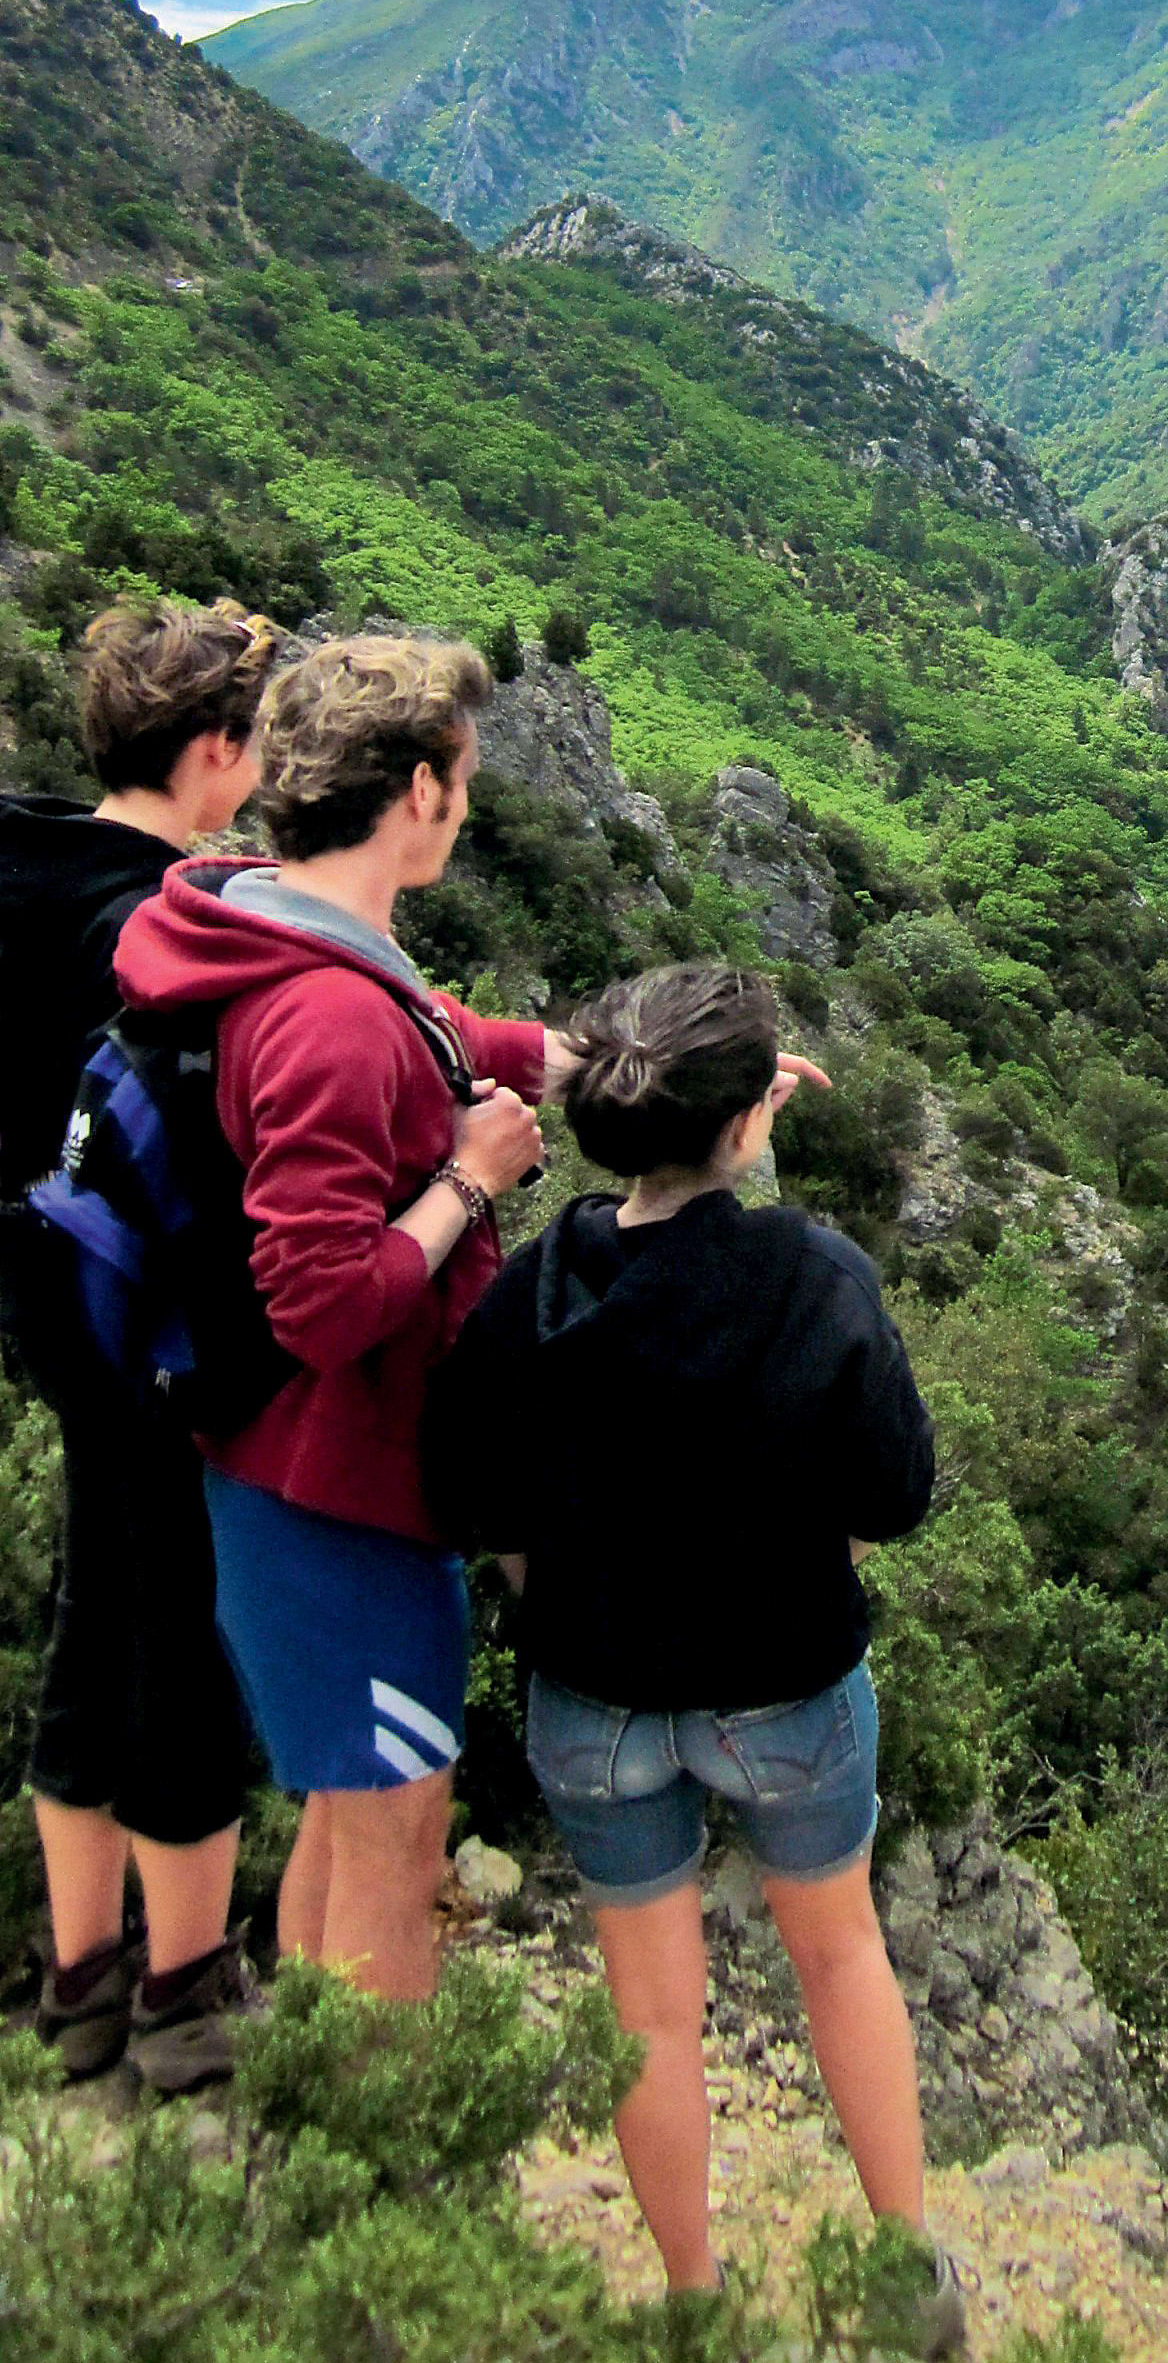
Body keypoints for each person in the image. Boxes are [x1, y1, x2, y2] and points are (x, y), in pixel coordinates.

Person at [423, 964, 962, 2349]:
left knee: (650, 2010)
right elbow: (894, 1495)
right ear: (745, 1125)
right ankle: (910, 2280)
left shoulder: (535, 1290)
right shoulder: (815, 1277)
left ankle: (691, 2303)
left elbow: (468, 1489)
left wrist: (554, 1592)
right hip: (786, 1684)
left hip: (595, 1697)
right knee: (840, 1955)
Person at [112, 633, 562, 2004]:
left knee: (345, 1815)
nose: (469, 805)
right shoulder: (325, 1016)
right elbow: (318, 1304)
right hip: (335, 1495)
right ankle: (383, 2181)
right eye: (465, 778)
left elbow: (435, 1028)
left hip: (293, 1477)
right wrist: (464, 1182)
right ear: (420, 789)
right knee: (393, 1847)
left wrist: (601, 1059)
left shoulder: (273, 921)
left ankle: (314, 2110)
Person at [0, 598, 276, 2088]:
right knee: (185, 1626)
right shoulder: (162, 927)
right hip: (156, 1320)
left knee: (96, 1597)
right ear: (216, 754)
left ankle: (80, 1976)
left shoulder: (28, 872)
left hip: (42, 1293)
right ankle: (183, 1998)